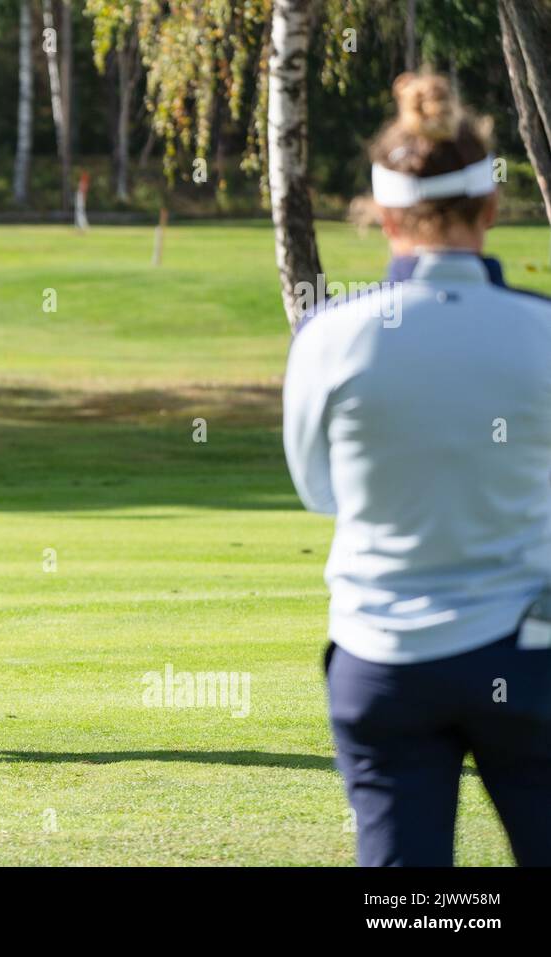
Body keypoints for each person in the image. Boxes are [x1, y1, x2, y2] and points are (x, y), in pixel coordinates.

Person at [284, 73, 551, 866]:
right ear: (491, 208)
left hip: (383, 657)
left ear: (384, 215)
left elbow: (317, 490)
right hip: (528, 655)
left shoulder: (331, 336)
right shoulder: (541, 330)